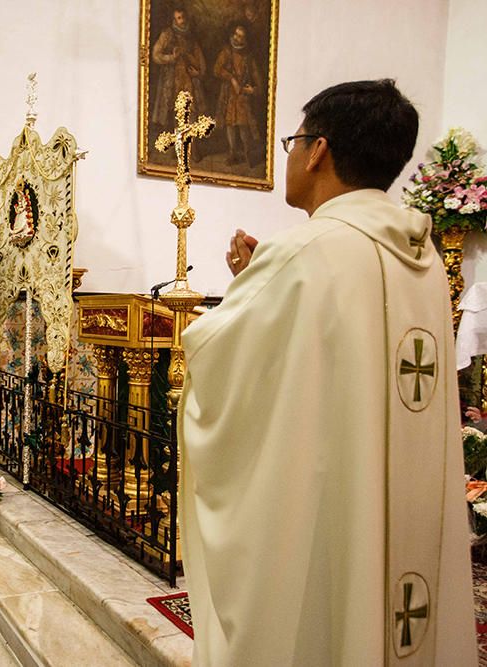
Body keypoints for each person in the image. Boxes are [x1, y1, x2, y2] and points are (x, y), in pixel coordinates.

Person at [179, 80, 475, 664]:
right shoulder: (424, 256)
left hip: (337, 514)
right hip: (405, 510)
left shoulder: (307, 252)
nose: (290, 156)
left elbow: (213, 354)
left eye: (292, 141)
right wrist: (262, 277)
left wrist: (252, 279)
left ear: (317, 149)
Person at [150, 7, 207, 137]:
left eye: (183, 17)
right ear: (174, 20)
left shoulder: (190, 36)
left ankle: (191, 147)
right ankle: (177, 145)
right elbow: (155, 54)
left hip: (189, 79)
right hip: (172, 79)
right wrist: (171, 58)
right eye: (178, 18)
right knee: (175, 111)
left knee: (190, 110)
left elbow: (200, 59)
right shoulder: (167, 34)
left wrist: (198, 73)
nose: (181, 21)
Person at [213, 23, 264, 167]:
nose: (237, 38)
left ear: (245, 40)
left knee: (243, 126)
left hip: (242, 98)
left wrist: (252, 90)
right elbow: (216, 69)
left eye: (241, 36)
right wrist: (231, 78)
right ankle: (232, 152)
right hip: (229, 95)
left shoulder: (249, 57)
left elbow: (258, 81)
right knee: (230, 124)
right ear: (232, 35)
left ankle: (248, 152)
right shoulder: (226, 52)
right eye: (236, 34)